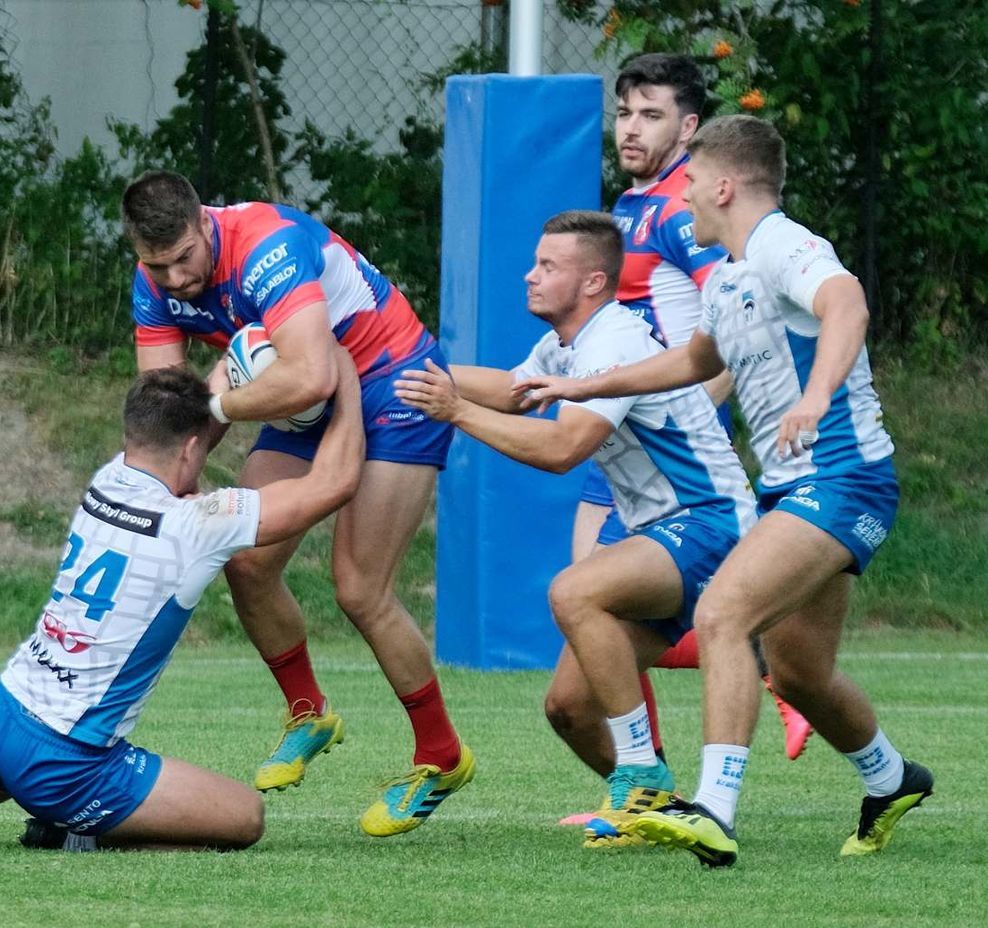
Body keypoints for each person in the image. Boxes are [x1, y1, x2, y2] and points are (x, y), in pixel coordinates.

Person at [516, 116, 933, 867]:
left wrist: (816, 395)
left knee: (722, 614)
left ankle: (712, 808)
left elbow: (848, 306)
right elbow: (690, 361)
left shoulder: (782, 244)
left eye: (687, 191)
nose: (679, 210)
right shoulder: (733, 274)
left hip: (843, 478)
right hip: (793, 488)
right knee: (799, 669)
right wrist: (584, 383)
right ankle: (892, 777)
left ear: (724, 185)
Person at [0, 361, 365, 851]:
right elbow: (333, 484)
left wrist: (232, 369)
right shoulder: (197, 525)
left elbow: (186, 430)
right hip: (66, 761)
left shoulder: (107, 478)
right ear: (190, 449)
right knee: (243, 818)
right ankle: (85, 827)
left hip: (3, 712)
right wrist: (346, 374)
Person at [122, 171, 472, 837]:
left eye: (184, 260)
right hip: (301, 394)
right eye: (156, 266)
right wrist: (167, 492)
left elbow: (311, 374)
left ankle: (441, 757)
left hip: (392, 381)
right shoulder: (155, 282)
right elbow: (169, 407)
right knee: (245, 558)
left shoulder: (266, 246)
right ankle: (309, 712)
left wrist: (218, 402)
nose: (174, 280)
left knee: (360, 588)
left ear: (205, 224)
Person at [394, 210, 756, 849]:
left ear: (593, 282)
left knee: (573, 591)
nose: (530, 276)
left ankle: (641, 771)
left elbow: (564, 448)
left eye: (548, 266)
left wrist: (453, 411)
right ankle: (658, 814)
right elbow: (514, 390)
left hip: (712, 522)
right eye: (535, 263)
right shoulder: (565, 343)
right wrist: (411, 371)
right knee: (569, 707)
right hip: (665, 530)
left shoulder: (612, 339)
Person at [561, 54, 812, 791]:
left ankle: (763, 670)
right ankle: (654, 780)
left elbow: (735, 319)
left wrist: (691, 419)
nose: (632, 128)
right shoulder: (631, 205)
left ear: (689, 127)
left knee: (590, 603)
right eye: (625, 113)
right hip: (617, 438)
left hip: (661, 453)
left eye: (653, 114)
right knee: (589, 614)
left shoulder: (683, 210)